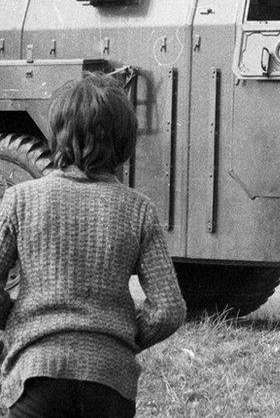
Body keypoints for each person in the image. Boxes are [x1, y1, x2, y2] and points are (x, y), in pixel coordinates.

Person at [0, 73, 186, 418]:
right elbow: (169, 309)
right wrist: (119, 339)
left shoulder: (20, 200)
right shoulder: (138, 209)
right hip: (110, 384)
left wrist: (15, 323)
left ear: (58, 134)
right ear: (125, 143)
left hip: (36, 375)